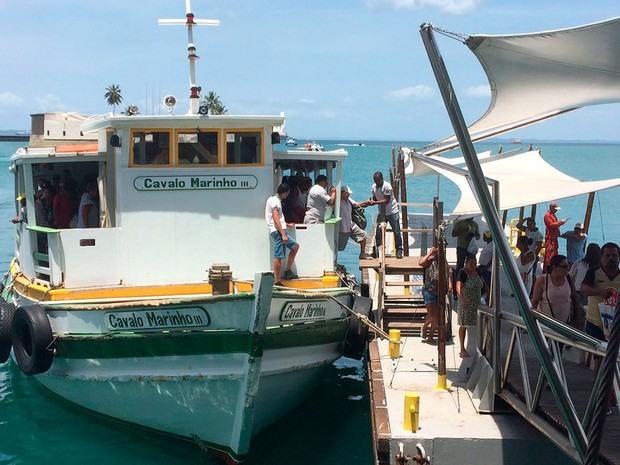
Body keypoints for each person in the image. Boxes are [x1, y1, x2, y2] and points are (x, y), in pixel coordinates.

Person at [580, 242, 620, 342]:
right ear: (601, 258)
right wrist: (599, 292)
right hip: (595, 323)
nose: (611, 258)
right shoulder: (593, 272)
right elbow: (583, 288)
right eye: (607, 256)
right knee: (598, 355)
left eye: (614, 255)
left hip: (616, 323)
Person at [266, 183, 300, 286]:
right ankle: (277, 281)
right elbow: (276, 219)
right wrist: (283, 234)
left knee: (295, 246)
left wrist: (286, 224)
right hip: (278, 231)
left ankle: (287, 271)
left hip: (279, 229)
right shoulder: (276, 202)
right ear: (285, 193)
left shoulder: (272, 199)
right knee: (278, 256)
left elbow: (278, 219)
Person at [531, 254, 580, 324]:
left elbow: (574, 298)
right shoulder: (543, 280)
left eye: (568, 266)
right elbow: (535, 302)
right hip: (546, 324)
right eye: (564, 267)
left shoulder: (569, 279)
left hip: (565, 323)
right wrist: (531, 322)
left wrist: (578, 316)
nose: (567, 269)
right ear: (554, 267)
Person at [456, 254, 487, 358]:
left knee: (481, 325)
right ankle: (462, 348)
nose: (473, 266)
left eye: (475, 264)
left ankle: (482, 348)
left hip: (478, 303)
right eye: (471, 264)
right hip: (466, 304)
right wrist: (463, 300)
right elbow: (458, 288)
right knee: (464, 325)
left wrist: (489, 294)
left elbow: (484, 284)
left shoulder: (477, 271)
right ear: (466, 263)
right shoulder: (462, 273)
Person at [371, 171, 403, 259]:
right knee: (378, 232)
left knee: (396, 232)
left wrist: (375, 202)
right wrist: (371, 201)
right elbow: (374, 198)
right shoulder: (373, 187)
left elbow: (386, 200)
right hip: (382, 213)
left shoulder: (387, 186)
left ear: (382, 179)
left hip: (392, 211)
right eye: (375, 181)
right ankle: (378, 250)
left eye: (378, 180)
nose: (376, 182)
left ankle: (399, 250)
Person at [338, 186, 372, 258]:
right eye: (348, 193)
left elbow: (357, 205)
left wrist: (367, 203)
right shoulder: (337, 201)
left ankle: (362, 254)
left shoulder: (349, 200)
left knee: (363, 236)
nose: (349, 195)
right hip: (342, 227)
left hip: (351, 225)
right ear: (343, 193)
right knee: (338, 247)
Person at [451, 216, 480, 295]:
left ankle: (470, 286)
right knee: (460, 266)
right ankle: (457, 287)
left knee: (472, 266)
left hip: (471, 249)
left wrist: (473, 235)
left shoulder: (475, 224)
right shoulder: (459, 223)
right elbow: (453, 234)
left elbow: (478, 236)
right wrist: (464, 232)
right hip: (462, 247)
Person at [420, 247, 440, 343]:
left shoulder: (442, 262)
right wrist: (430, 253)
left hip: (439, 290)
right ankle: (424, 327)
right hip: (428, 289)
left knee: (437, 316)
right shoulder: (429, 261)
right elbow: (420, 263)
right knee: (431, 314)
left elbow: (448, 272)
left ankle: (431, 336)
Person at [516, 216, 543, 282]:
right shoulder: (527, 230)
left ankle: (533, 287)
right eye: (528, 224)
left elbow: (539, 246)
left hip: (531, 254)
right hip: (525, 251)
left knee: (532, 272)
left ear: (534, 224)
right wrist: (525, 219)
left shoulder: (538, 234)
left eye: (531, 224)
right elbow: (518, 226)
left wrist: (534, 256)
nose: (529, 226)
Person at [543, 201, 568, 272]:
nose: (556, 210)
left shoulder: (552, 215)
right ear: (551, 208)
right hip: (550, 239)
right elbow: (550, 225)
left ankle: (552, 268)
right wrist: (560, 222)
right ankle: (548, 270)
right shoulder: (547, 215)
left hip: (554, 238)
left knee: (554, 253)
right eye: (555, 208)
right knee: (549, 255)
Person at [477, 230, 493, 302]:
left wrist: (486, 268)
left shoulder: (492, 245)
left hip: (487, 269)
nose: (483, 237)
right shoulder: (488, 244)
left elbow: (493, 258)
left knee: (486, 284)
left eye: (484, 236)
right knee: (483, 284)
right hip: (483, 266)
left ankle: (489, 299)